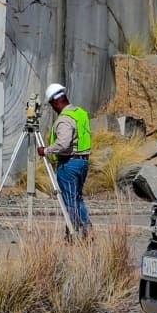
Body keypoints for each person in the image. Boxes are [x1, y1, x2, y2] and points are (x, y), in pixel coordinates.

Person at [42, 82, 93, 233]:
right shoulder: (80, 113)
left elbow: (63, 144)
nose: (53, 109)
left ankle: (73, 232)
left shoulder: (64, 119)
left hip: (69, 164)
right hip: (82, 162)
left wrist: (46, 150)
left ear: (56, 102)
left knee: (69, 201)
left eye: (52, 105)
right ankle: (86, 229)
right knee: (77, 198)